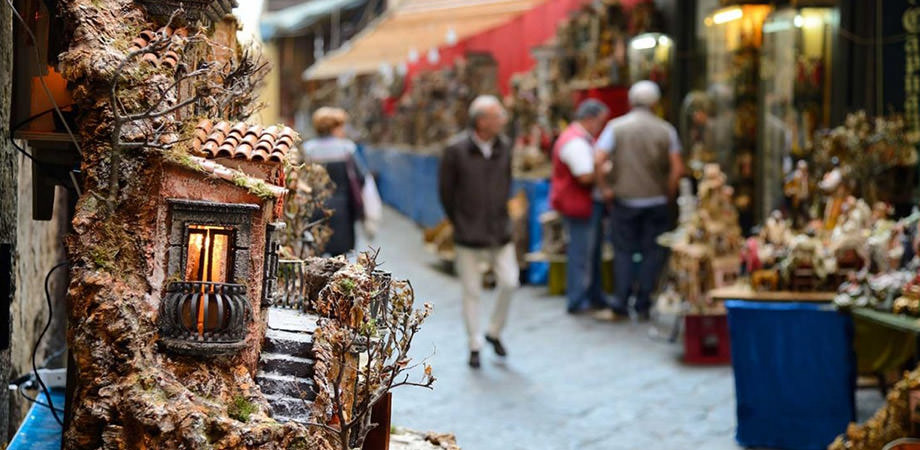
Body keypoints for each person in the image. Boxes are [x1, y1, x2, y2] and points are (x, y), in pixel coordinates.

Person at [438, 95, 518, 369]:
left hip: (499, 229)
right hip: (468, 232)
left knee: (510, 281)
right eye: (498, 116)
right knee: (471, 291)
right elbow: (446, 193)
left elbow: (506, 181)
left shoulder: (504, 147)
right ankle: (474, 343)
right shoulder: (456, 150)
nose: (503, 121)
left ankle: (494, 331)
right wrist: (459, 221)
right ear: (482, 121)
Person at [595, 81, 684, 321]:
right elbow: (677, 168)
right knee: (651, 252)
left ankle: (621, 303)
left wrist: (606, 188)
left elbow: (598, 158)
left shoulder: (616, 127)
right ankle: (644, 302)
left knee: (623, 252)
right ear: (655, 103)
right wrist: (668, 193)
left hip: (625, 200)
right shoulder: (666, 130)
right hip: (655, 200)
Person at [549, 99, 610, 314]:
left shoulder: (579, 139)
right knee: (581, 254)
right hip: (580, 206)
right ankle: (578, 299)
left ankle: (591, 295)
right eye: (600, 122)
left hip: (581, 205)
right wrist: (604, 168)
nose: (601, 127)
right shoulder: (575, 142)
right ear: (590, 119)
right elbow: (584, 176)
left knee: (587, 253)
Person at [301, 107, 365, 257]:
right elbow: (360, 177)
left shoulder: (308, 149)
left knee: (315, 257)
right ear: (334, 127)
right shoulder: (347, 148)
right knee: (341, 260)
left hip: (316, 210)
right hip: (342, 211)